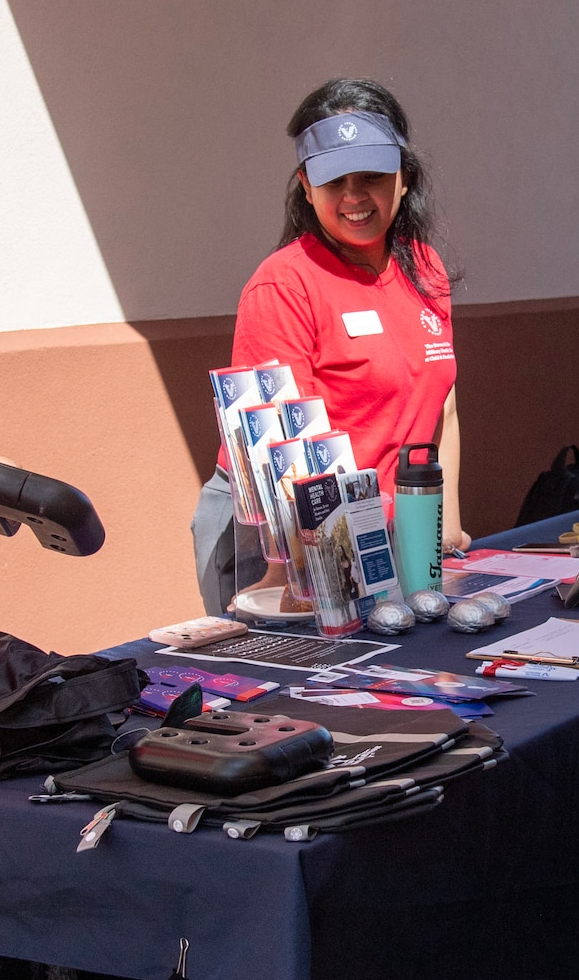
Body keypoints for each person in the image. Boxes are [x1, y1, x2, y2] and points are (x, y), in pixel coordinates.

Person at [193, 79, 466, 609]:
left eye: (371, 176)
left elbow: (444, 403)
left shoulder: (425, 267)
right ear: (305, 183)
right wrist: (290, 575)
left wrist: (443, 525)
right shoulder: (283, 285)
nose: (354, 196)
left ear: (404, 178)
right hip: (284, 539)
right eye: (334, 179)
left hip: (383, 526)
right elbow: (279, 451)